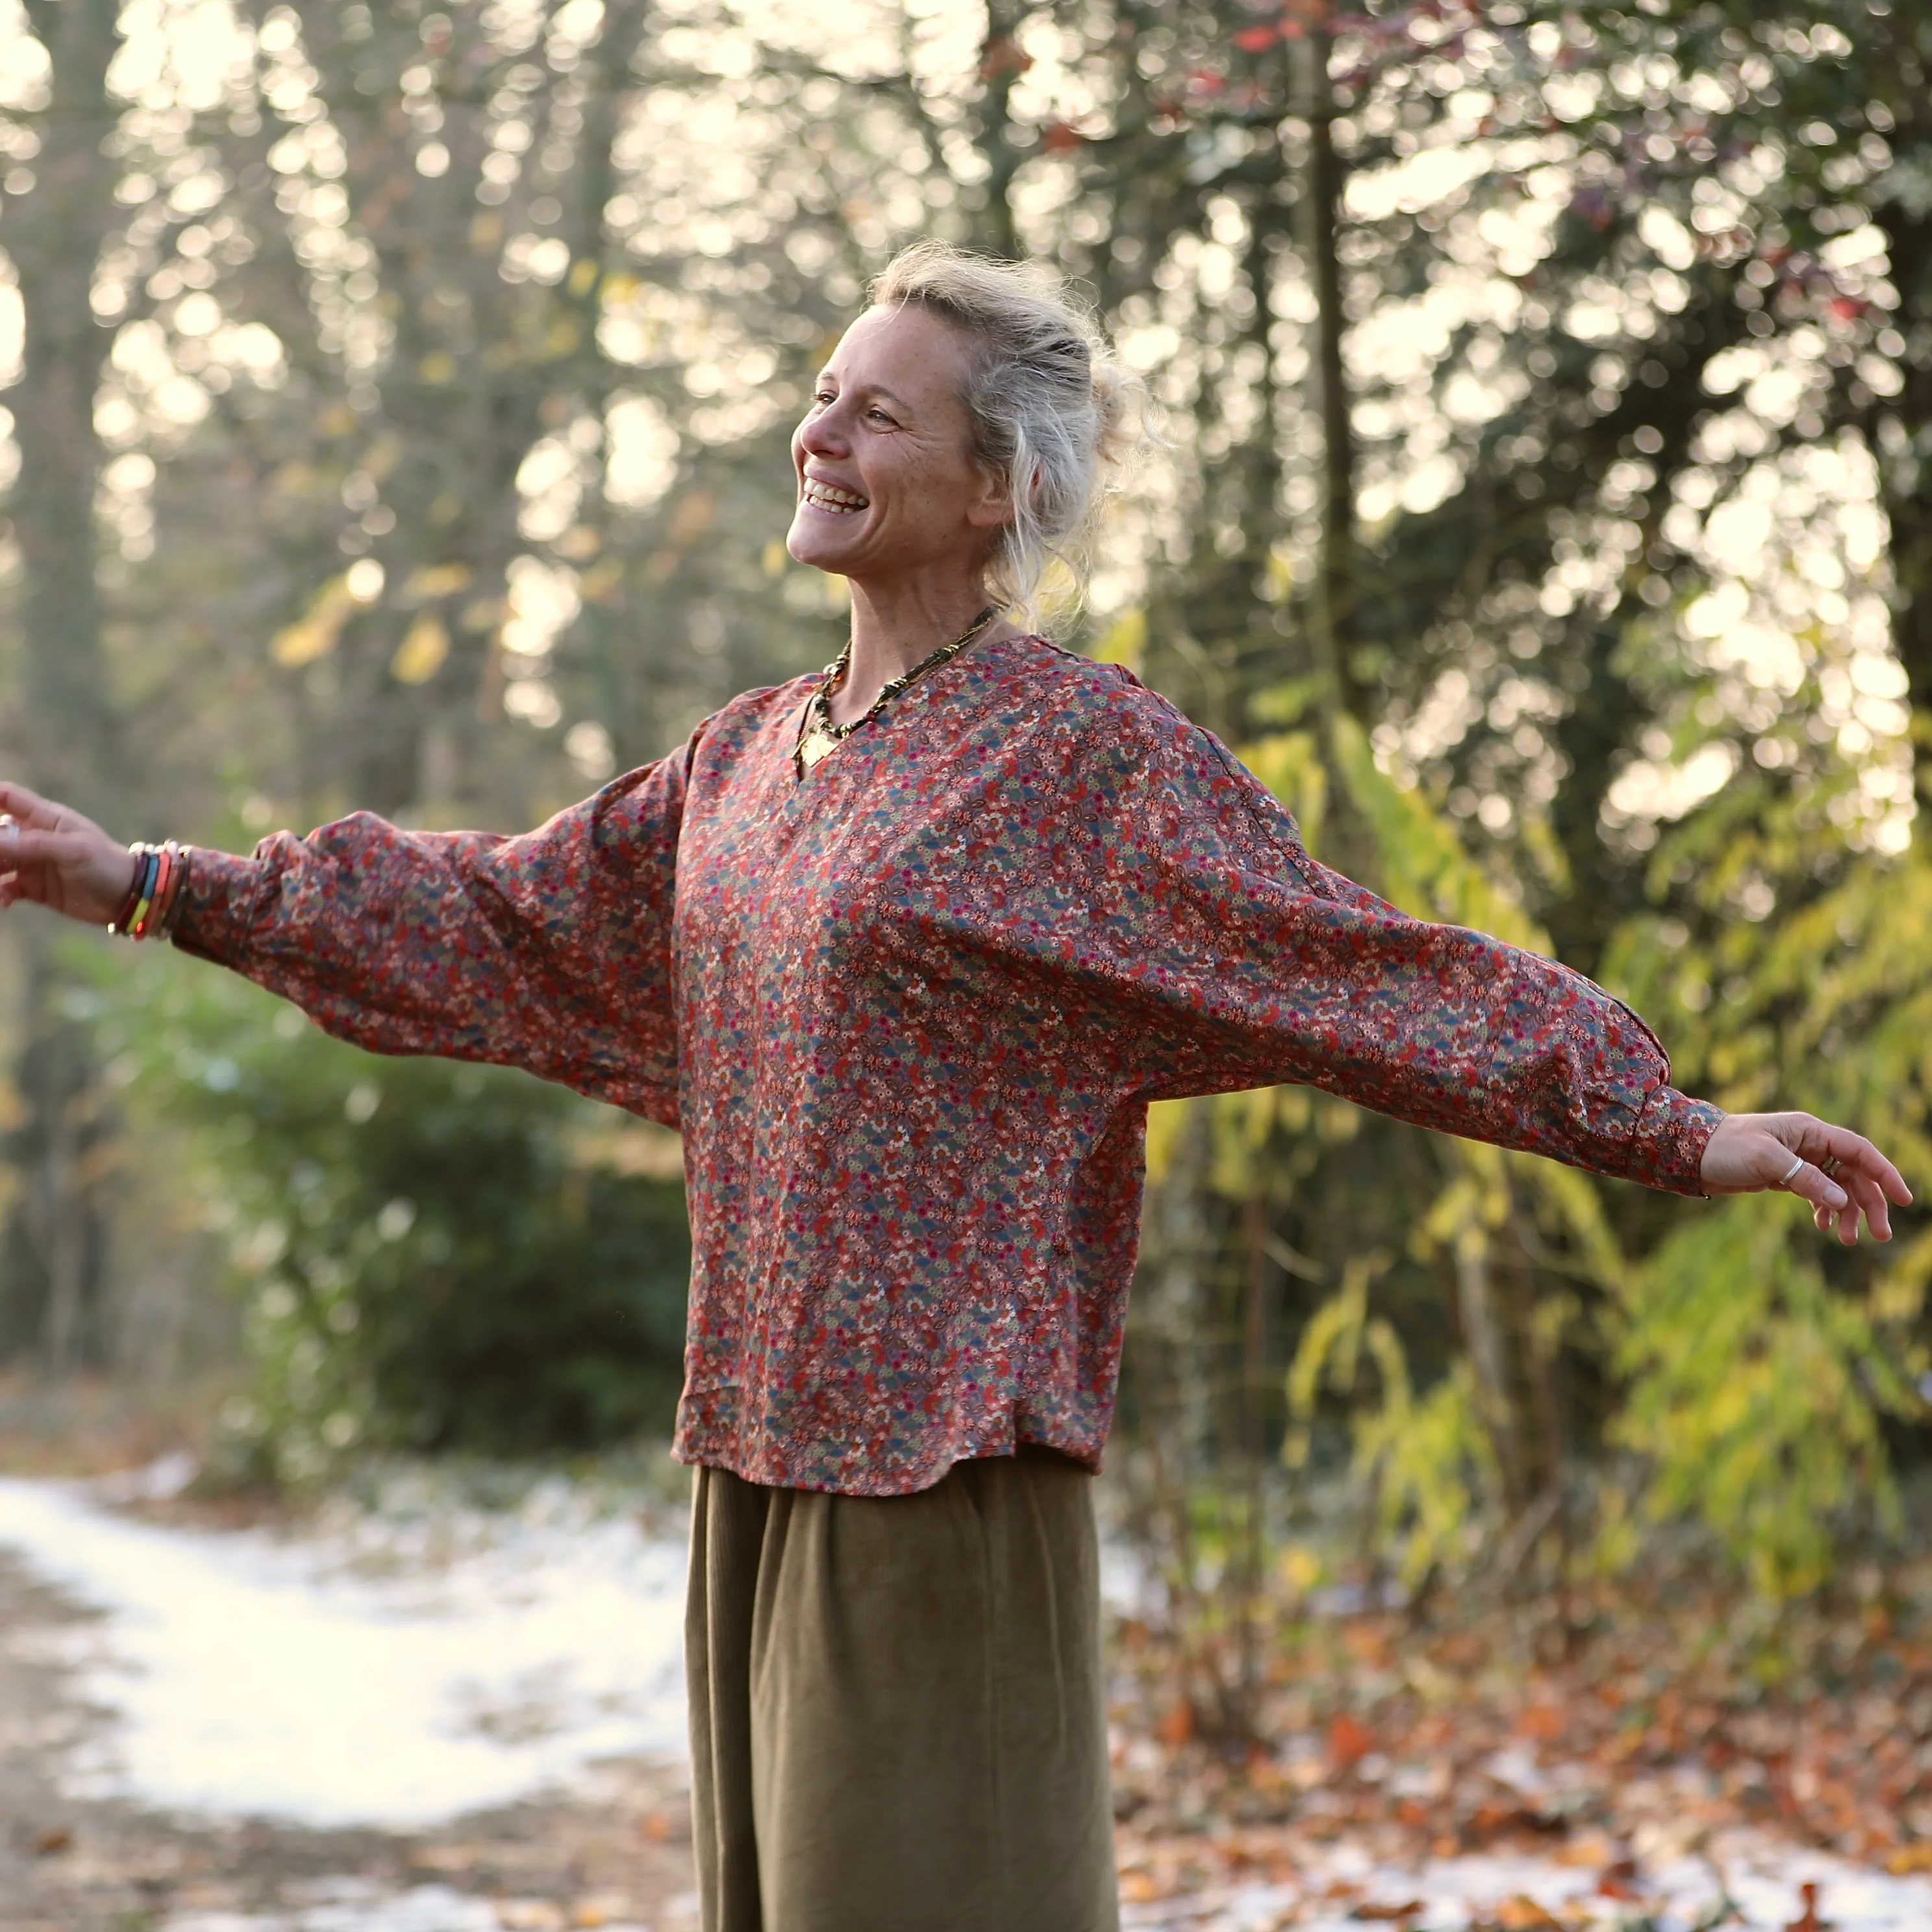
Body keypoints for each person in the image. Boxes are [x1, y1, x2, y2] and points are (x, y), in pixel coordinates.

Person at [0, 243, 1910, 1932]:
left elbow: (1349, 970)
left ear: (1000, 489)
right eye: (822, 394)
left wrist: (1667, 1126)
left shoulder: (1072, 755)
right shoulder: (745, 762)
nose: (821, 435)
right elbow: (497, 916)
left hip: (942, 1480)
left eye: (880, 415)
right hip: (754, 1458)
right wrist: (155, 884)